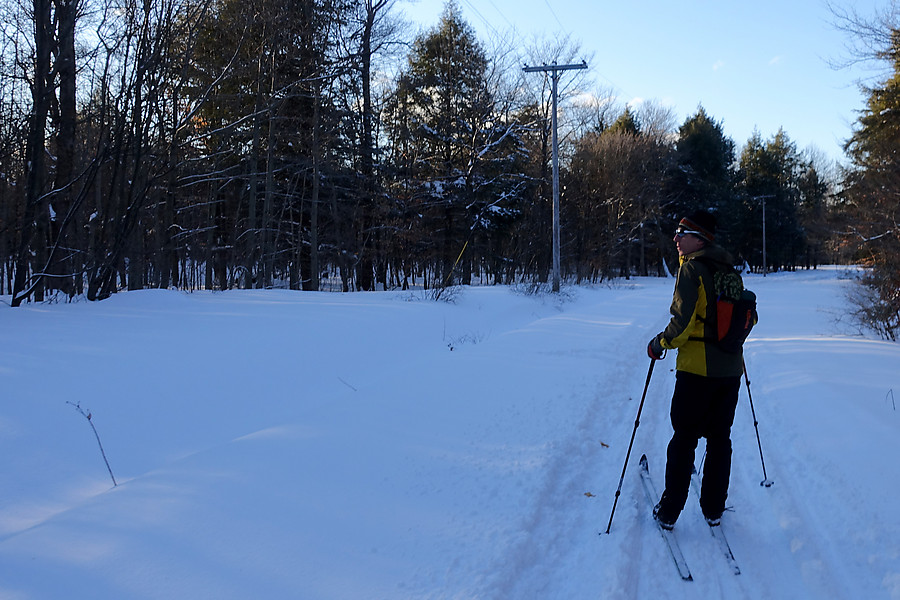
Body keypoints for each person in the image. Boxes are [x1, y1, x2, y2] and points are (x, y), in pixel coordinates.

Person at [646, 210, 743, 529]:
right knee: (720, 439)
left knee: (684, 438)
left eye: (682, 233)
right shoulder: (730, 270)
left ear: (700, 239)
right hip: (729, 371)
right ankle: (714, 508)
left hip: (696, 371)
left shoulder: (692, 271)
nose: (675, 238)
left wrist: (660, 343)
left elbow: (682, 325)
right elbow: (746, 318)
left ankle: (670, 510)